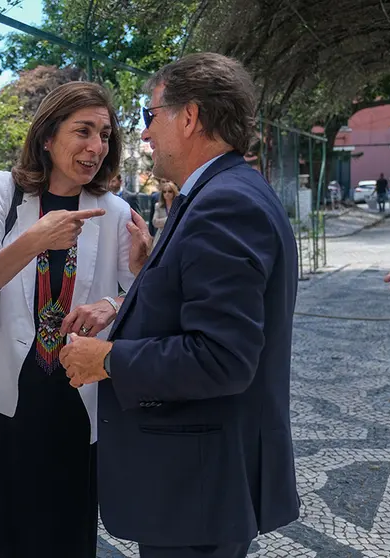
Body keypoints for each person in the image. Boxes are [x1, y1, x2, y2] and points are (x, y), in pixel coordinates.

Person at [60, 53, 300, 558]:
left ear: (189, 117)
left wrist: (106, 359)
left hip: (198, 488)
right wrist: (146, 279)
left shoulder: (224, 203)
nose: (144, 134)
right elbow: (195, 302)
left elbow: (222, 357)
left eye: (150, 115)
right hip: (202, 483)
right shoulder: (225, 191)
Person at [0, 82, 136, 558]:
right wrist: (35, 239)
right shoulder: (5, 190)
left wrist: (113, 304)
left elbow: (141, 291)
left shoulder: (114, 211)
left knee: (62, 529)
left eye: (105, 135)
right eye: (83, 131)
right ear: (49, 136)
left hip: (74, 399)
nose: (96, 147)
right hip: (1, 399)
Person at [151, 180, 179, 248]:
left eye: (170, 191)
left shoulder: (179, 206)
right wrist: (170, 219)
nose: (167, 193)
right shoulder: (158, 206)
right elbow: (155, 222)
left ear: (174, 192)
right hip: (161, 236)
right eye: (164, 192)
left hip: (175, 236)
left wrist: (162, 222)